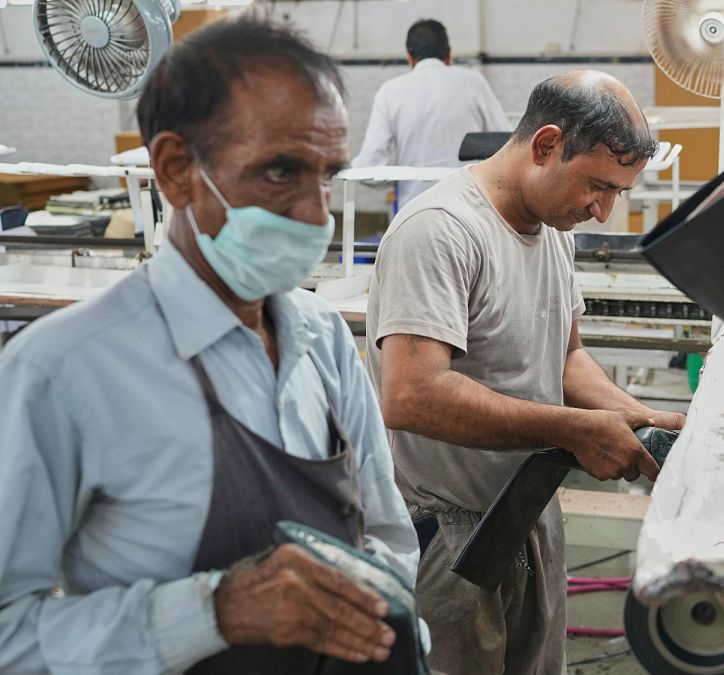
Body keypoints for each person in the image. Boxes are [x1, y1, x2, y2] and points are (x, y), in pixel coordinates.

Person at [0, 17, 423, 674]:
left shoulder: (324, 339)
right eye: (280, 170)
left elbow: (388, 538)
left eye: (327, 175)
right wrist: (212, 612)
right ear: (176, 170)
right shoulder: (66, 369)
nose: (317, 213)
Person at [366, 70, 686, 674]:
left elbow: (566, 359)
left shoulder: (554, 229)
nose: (602, 211)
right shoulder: (441, 230)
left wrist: (639, 419)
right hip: (447, 538)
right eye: (598, 185)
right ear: (546, 145)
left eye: (618, 193)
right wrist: (573, 430)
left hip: (528, 514)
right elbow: (411, 395)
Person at [353, 18, 510, 212]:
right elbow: (506, 146)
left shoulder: (389, 91)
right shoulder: (474, 83)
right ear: (449, 56)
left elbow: (369, 166)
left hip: (413, 212)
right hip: (468, 209)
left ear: (410, 58)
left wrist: (401, 174)